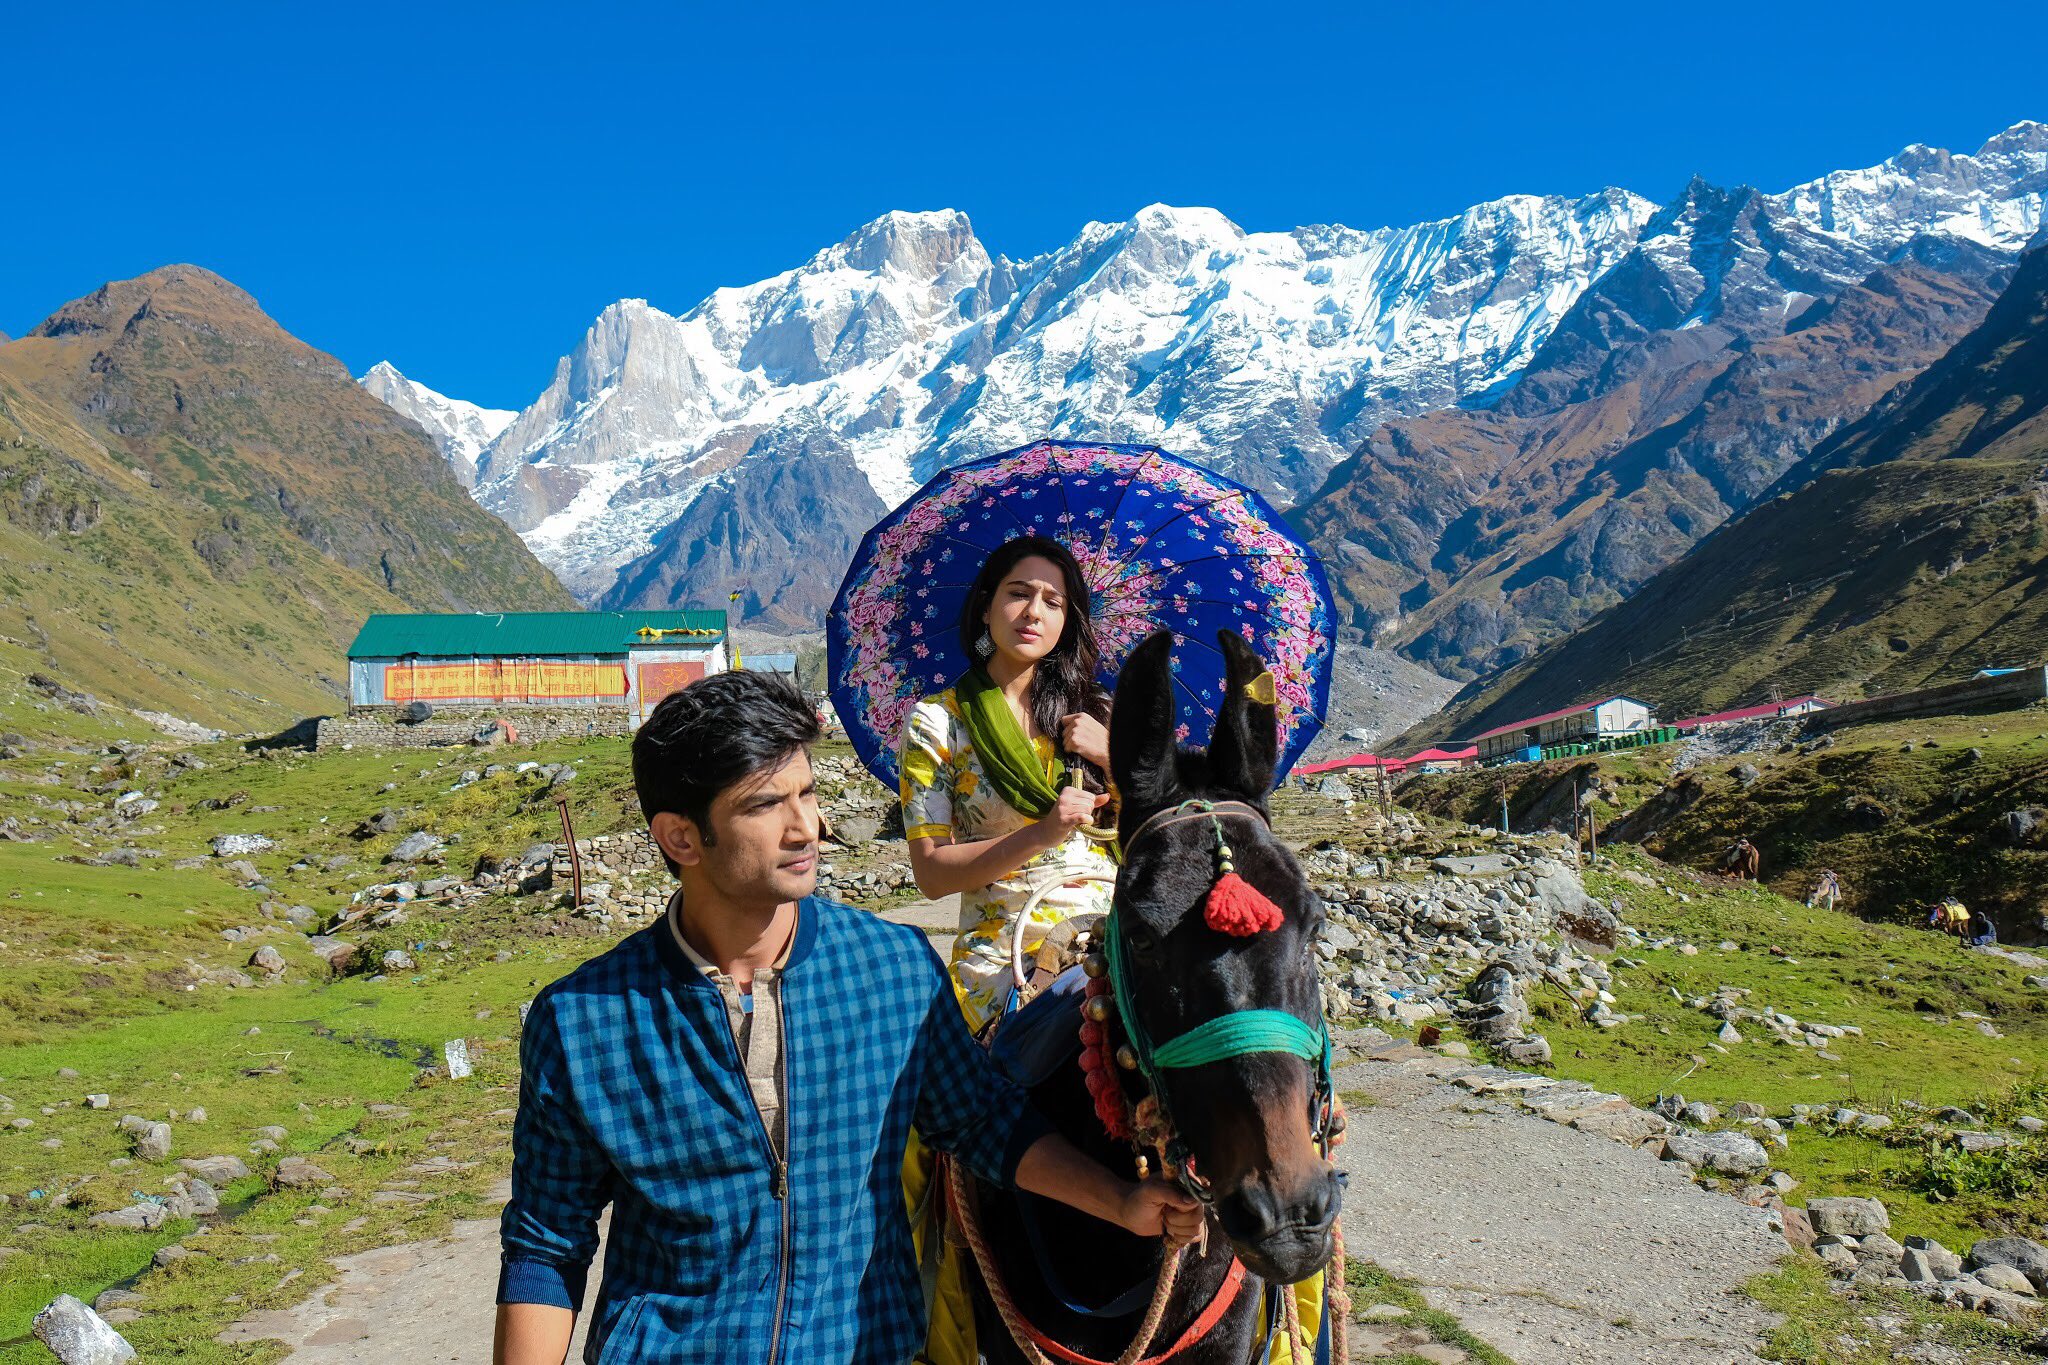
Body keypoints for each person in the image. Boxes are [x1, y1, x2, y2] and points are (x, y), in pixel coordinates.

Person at [493, 670, 1202, 1364]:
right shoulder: (583, 1022)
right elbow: (546, 1246)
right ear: (681, 838)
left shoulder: (890, 971)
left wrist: (1120, 1201)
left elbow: (983, 1121)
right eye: (766, 804)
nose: (807, 827)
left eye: (807, 792)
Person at [895, 534, 1324, 1365]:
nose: (1034, 612)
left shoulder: (1092, 716)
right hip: (1003, 942)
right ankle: (926, 1306)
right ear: (985, 606)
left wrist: (1114, 761)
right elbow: (931, 869)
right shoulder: (937, 720)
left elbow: (1162, 829)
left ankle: (1296, 1322)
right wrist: (1043, 829)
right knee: (932, 1118)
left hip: (1110, 918)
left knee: (1272, 1057)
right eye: (1018, 593)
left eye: (1054, 600)